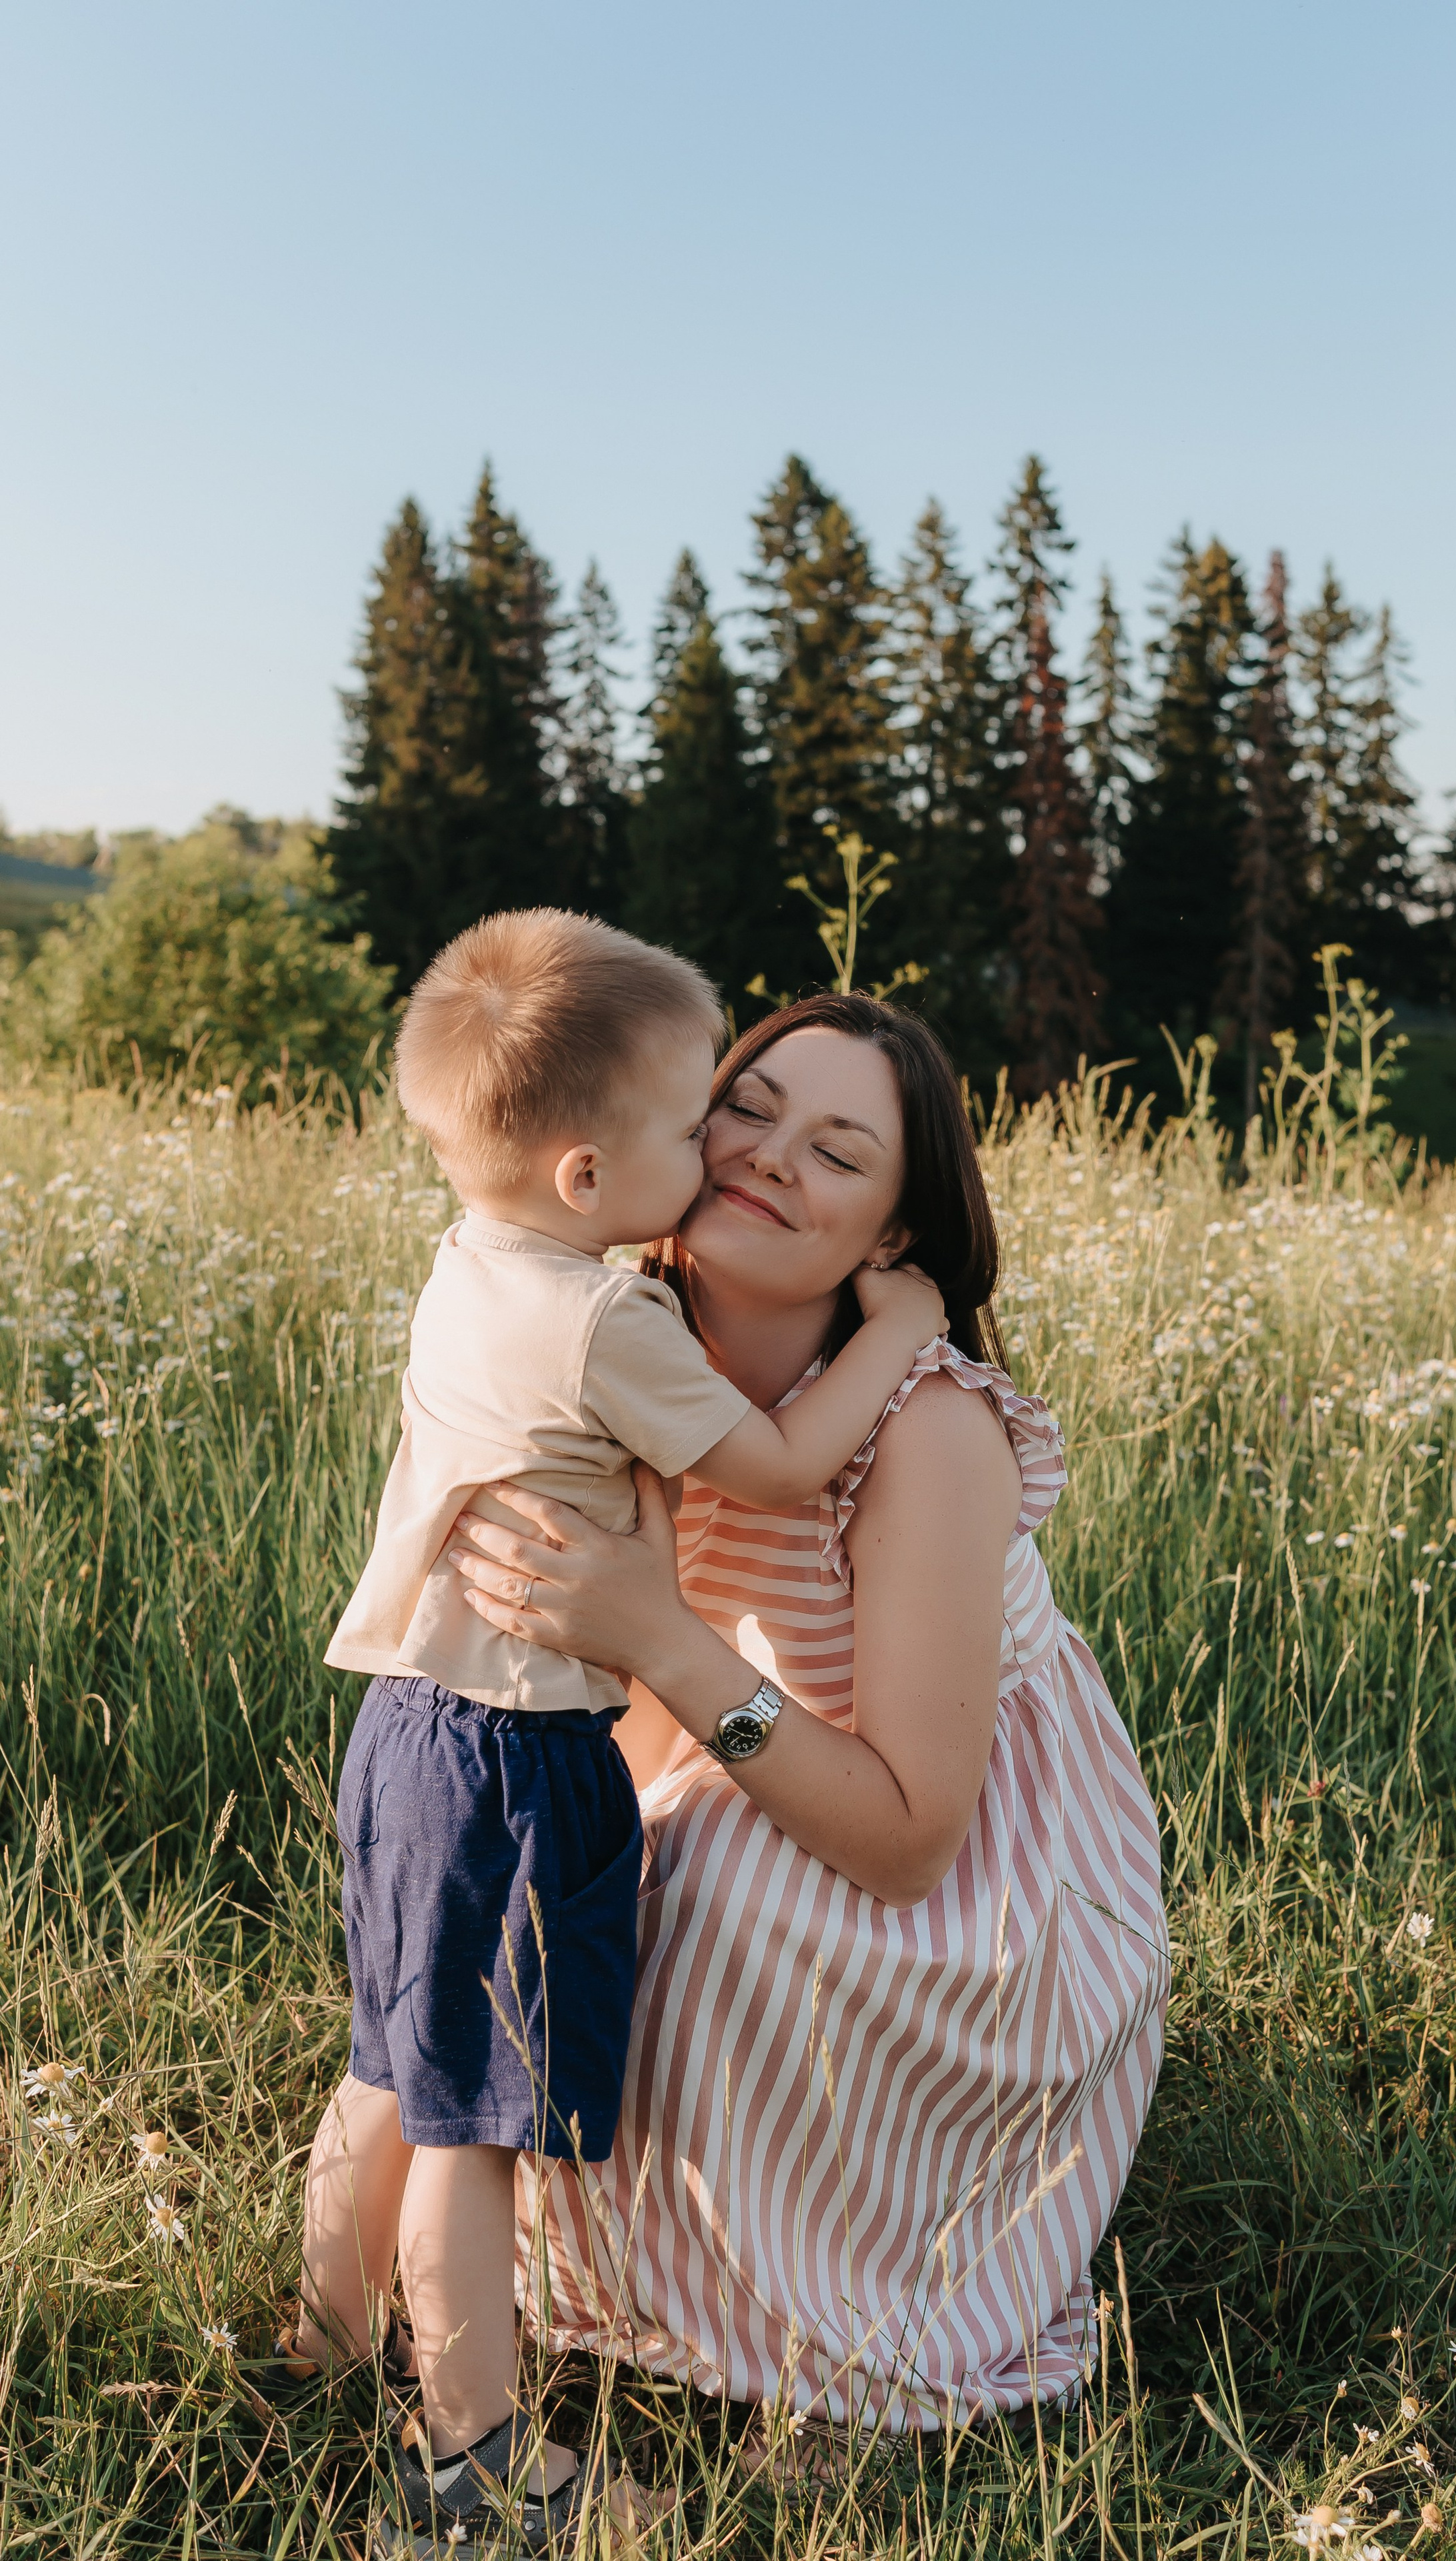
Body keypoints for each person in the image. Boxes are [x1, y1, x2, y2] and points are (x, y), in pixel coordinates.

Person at [289, 914, 947, 2550]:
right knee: (478, 2128)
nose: (722, 1153)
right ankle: (472, 2466)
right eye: (699, 1121)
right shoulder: (607, 1322)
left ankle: (313, 2353)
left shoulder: (474, 1257)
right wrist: (897, 1333)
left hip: (407, 1728)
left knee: (390, 2070)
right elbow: (779, 1471)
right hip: (515, 1754)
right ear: (588, 1174)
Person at [446, 992, 1170, 2445]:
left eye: (838, 1153)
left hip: (986, 1894)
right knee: (530, 1878)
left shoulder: (927, 1432)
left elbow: (909, 1840)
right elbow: (619, 1736)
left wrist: (655, 1636)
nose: (773, 1155)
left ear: (891, 1238)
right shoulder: (617, 1345)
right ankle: (569, 2270)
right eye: (749, 1108)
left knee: (711, 1890)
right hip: (754, 1756)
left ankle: (827, 2334)